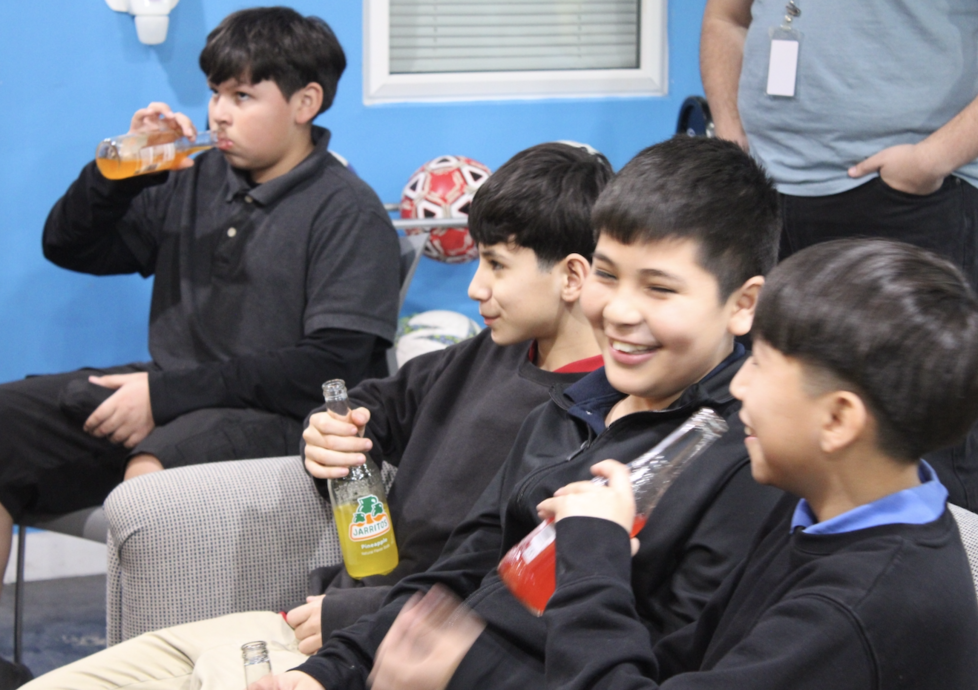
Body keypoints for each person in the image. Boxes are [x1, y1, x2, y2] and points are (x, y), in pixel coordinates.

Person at [22, 141, 611, 690]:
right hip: (322, 624)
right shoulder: (484, 354)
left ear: (571, 276)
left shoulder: (597, 423)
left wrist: (353, 616)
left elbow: (499, 586)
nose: (476, 287)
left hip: (376, 646)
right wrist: (334, 429)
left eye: (497, 265)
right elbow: (377, 403)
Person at [254, 134, 785, 690]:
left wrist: (461, 668)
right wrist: (326, 672)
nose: (621, 311)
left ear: (742, 304)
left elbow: (660, 664)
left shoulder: (748, 463)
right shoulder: (564, 413)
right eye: (608, 275)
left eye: (660, 288)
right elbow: (457, 577)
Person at [0, 7, 401, 685]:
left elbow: (332, 366)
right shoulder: (192, 177)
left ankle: (151, 674)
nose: (218, 113)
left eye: (243, 96)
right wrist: (118, 168)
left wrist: (163, 396)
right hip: (174, 394)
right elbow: (69, 244)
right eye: (216, 92)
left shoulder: (348, 210)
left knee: (156, 472)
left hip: (277, 420)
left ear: (305, 102)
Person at [522, 239, 978, 689]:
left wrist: (591, 559)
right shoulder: (818, 514)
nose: (739, 386)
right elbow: (694, 661)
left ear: (838, 418)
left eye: (760, 365)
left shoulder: (855, 611)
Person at [699, 0, 978, 518]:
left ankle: (949, 597)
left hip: (908, 201)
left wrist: (931, 159)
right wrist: (730, 130)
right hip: (767, 196)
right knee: (768, 430)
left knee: (921, 441)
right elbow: (726, 17)